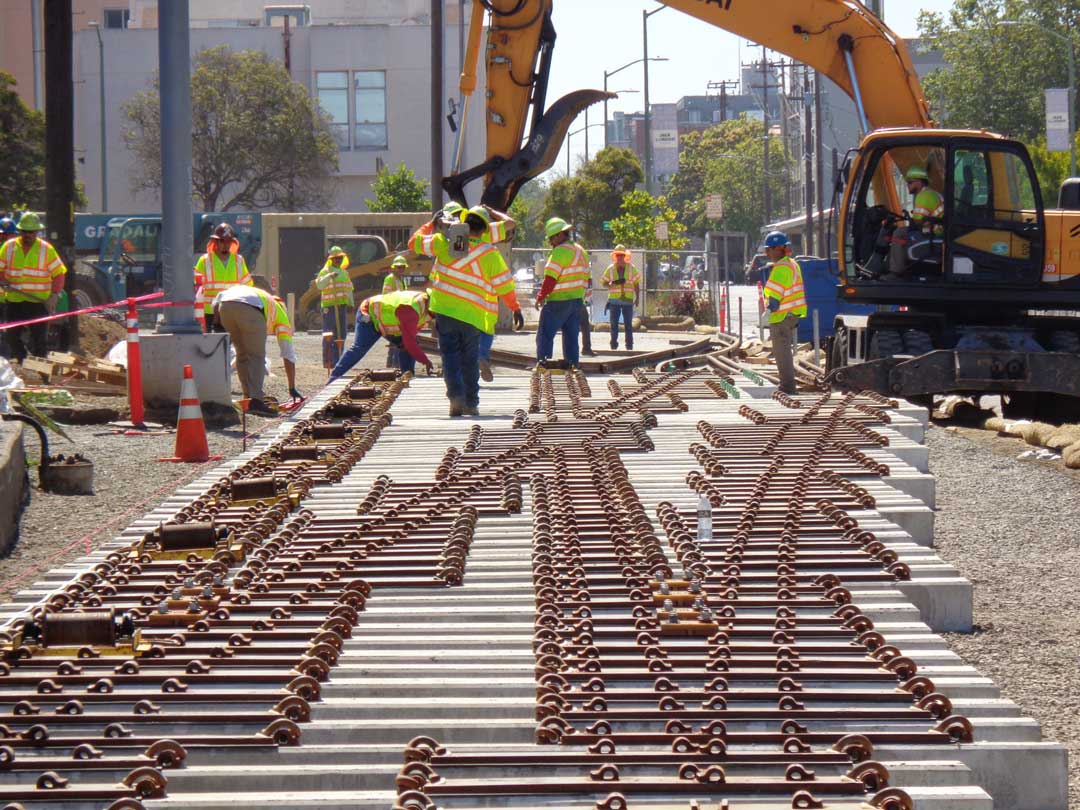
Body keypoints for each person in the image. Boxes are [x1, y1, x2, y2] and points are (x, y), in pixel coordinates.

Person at [411, 205, 524, 417]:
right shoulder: (490, 253)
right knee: (470, 360)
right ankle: (471, 403)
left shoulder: (444, 242)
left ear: (463, 223)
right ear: (484, 230)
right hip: (473, 315)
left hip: (445, 312)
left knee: (450, 357)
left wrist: (431, 224)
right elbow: (505, 286)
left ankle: (455, 397)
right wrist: (515, 308)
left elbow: (413, 243)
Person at [212, 285, 300, 417]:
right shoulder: (279, 314)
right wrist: (292, 388)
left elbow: (219, 297)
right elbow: (288, 354)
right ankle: (256, 401)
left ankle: (248, 397)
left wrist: (216, 321)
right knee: (256, 356)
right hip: (249, 310)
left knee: (242, 354)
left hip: (224, 307)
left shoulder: (260, 295)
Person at [0, 213, 67, 362]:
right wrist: (3, 280)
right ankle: (23, 362)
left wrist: (54, 295)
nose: (27, 235)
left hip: (38, 303)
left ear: (37, 232)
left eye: (31, 232)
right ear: (20, 231)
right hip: (14, 301)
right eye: (24, 231)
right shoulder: (8, 247)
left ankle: (41, 373)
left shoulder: (46, 249)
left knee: (39, 341)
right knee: (11, 337)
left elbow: (59, 274)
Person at [329, 290, 435, 381]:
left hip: (387, 323)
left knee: (405, 345)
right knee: (359, 348)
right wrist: (425, 360)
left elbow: (410, 338)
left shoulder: (426, 308)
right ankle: (334, 378)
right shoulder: (412, 309)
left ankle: (407, 376)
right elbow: (410, 343)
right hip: (370, 315)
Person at [536, 217, 589, 368]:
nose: (551, 242)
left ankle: (543, 362)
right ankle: (572, 364)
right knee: (572, 336)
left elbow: (550, 279)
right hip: (577, 301)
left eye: (551, 238)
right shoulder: (581, 251)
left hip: (558, 301)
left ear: (559, 235)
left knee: (545, 334)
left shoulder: (560, 251)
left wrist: (541, 296)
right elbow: (587, 278)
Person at [761, 230, 806, 395]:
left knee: (782, 352)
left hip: (782, 316)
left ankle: (787, 387)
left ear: (775, 249)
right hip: (792, 314)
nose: (766, 253)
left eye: (768, 250)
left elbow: (774, 298)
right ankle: (788, 385)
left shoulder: (780, 268)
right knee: (785, 350)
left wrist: (767, 313)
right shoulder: (792, 264)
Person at [886, 166, 944, 278]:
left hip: (935, 233)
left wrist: (910, 220)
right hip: (937, 230)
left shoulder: (924, 196)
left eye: (910, 182)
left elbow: (918, 221)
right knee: (902, 234)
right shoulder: (931, 193)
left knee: (897, 233)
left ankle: (896, 271)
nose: (907, 185)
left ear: (919, 182)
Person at [194, 223, 253, 331]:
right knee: (209, 345)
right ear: (216, 242)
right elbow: (195, 285)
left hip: (231, 311)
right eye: (222, 241)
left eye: (228, 241)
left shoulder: (238, 261)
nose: (225, 244)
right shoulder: (205, 260)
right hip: (209, 313)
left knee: (230, 345)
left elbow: (248, 286)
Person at [316, 245, 354, 368]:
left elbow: (349, 289)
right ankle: (328, 362)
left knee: (341, 334)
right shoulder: (325, 271)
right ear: (331, 259)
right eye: (336, 258)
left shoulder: (344, 273)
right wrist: (329, 276)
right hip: (329, 307)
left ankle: (338, 361)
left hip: (341, 307)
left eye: (340, 258)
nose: (338, 260)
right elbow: (320, 285)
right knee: (329, 335)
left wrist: (351, 303)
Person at [601, 244, 641, 351]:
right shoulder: (610, 268)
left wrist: (637, 298)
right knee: (614, 325)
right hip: (614, 301)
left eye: (621, 255)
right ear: (615, 256)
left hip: (628, 301)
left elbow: (636, 284)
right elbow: (603, 282)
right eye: (617, 255)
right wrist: (610, 284)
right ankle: (613, 345)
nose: (619, 257)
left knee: (628, 325)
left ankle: (629, 346)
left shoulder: (632, 268)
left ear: (625, 256)